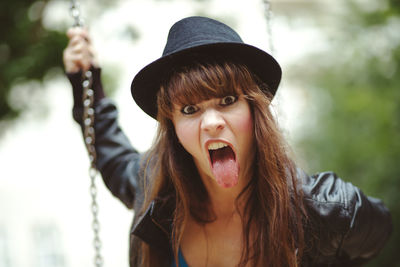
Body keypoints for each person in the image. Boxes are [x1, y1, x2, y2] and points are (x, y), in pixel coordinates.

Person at [63, 16, 392, 267]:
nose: (211, 123)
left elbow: (383, 233)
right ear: (173, 127)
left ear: (254, 110)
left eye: (227, 100)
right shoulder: (153, 190)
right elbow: (112, 155)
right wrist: (85, 81)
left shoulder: (324, 208)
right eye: (190, 109)